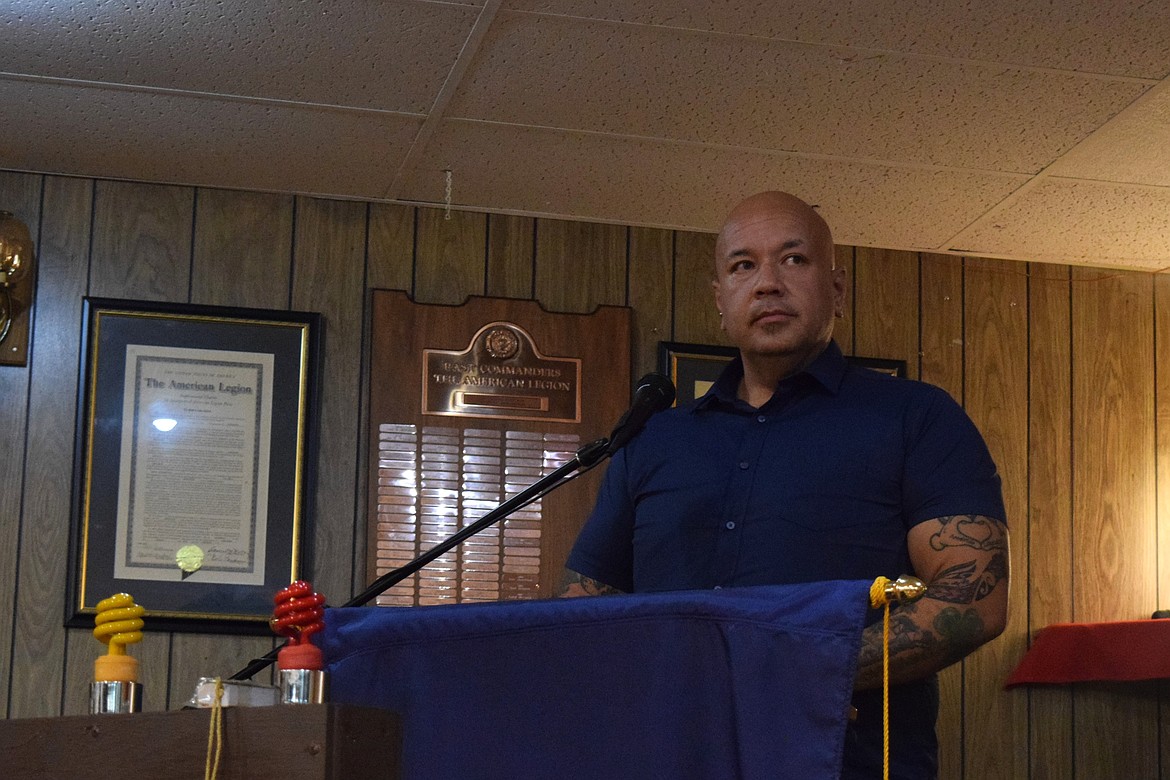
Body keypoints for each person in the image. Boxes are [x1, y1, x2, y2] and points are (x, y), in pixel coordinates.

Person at [558, 191, 1009, 779]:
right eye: (743, 265)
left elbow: (975, 598)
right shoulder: (655, 440)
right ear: (720, 300)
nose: (766, 282)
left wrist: (797, 671)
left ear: (838, 289)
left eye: (793, 260)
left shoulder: (917, 418)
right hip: (667, 754)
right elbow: (585, 604)